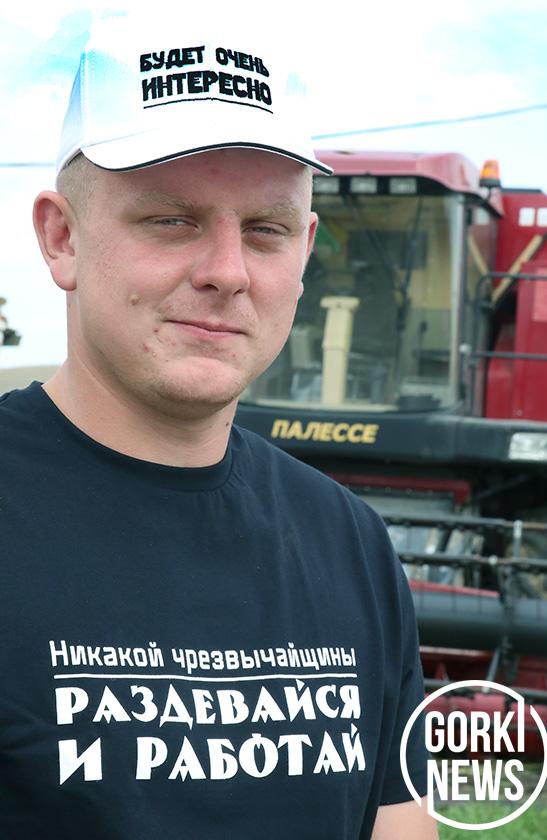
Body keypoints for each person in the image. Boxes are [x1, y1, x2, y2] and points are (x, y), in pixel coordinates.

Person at [0, 12, 437, 840]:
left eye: (267, 230)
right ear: (61, 238)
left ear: (305, 250)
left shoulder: (351, 542)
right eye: (173, 220)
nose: (228, 273)